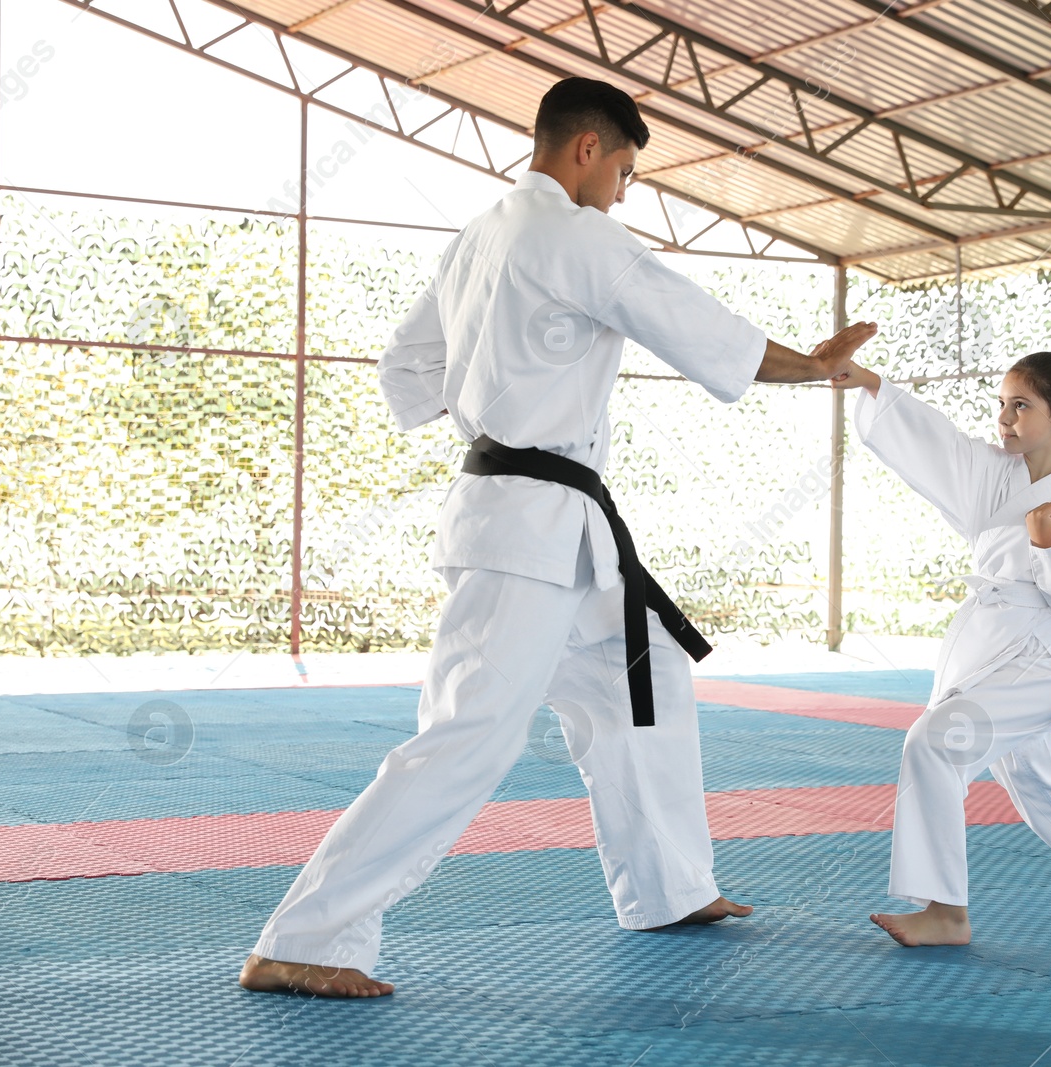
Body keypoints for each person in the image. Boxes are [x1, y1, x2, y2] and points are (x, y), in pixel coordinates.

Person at [240, 76, 877, 997]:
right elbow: (692, 323)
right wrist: (811, 366)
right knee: (469, 735)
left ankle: (668, 885)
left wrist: (490, 397)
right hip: (527, 526)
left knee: (649, 669)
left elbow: (407, 369)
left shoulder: (479, 236)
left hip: (544, 519)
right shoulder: (577, 235)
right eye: (623, 170)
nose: (623, 191)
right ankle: (311, 933)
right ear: (587, 149)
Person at [832, 352, 1051, 947]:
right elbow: (935, 441)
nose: (1005, 418)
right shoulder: (996, 473)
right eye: (1001, 403)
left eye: (1021, 406)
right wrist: (872, 386)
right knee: (1047, 787)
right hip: (983, 653)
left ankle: (947, 912)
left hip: (1035, 661)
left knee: (933, 742)